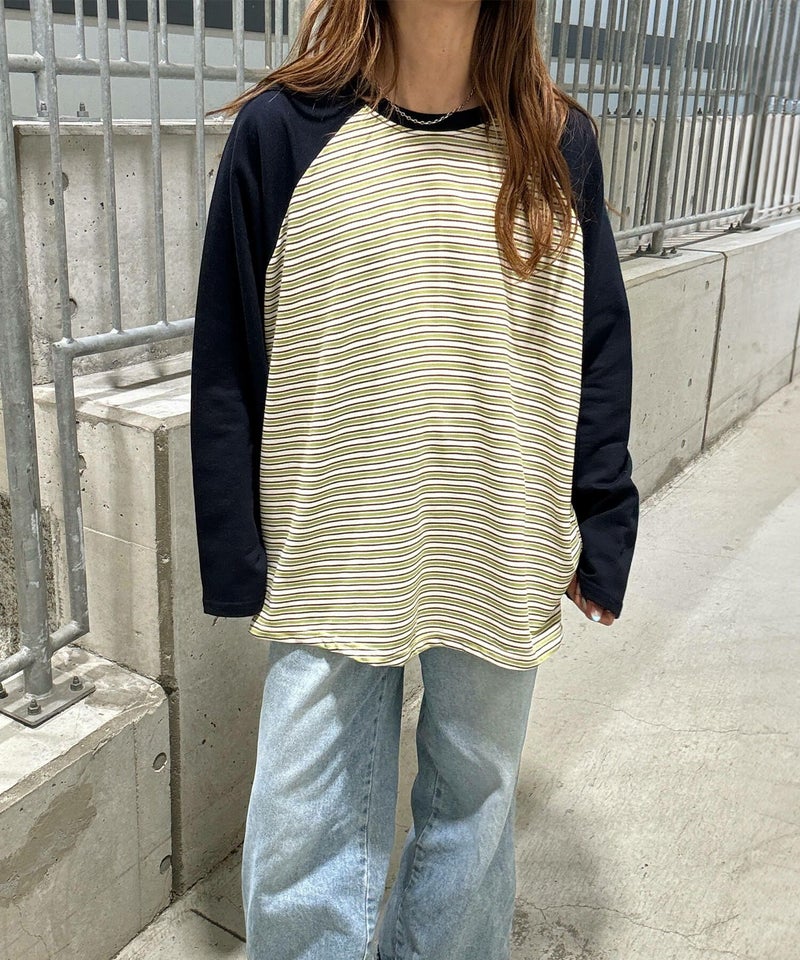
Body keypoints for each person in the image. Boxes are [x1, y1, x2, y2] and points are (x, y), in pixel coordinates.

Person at [189, 1, 639, 957]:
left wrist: (603, 515)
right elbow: (228, 352)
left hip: (497, 532)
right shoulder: (283, 132)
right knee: (300, 821)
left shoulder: (558, 145)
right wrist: (233, 546)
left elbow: (598, 340)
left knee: (473, 805)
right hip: (333, 541)